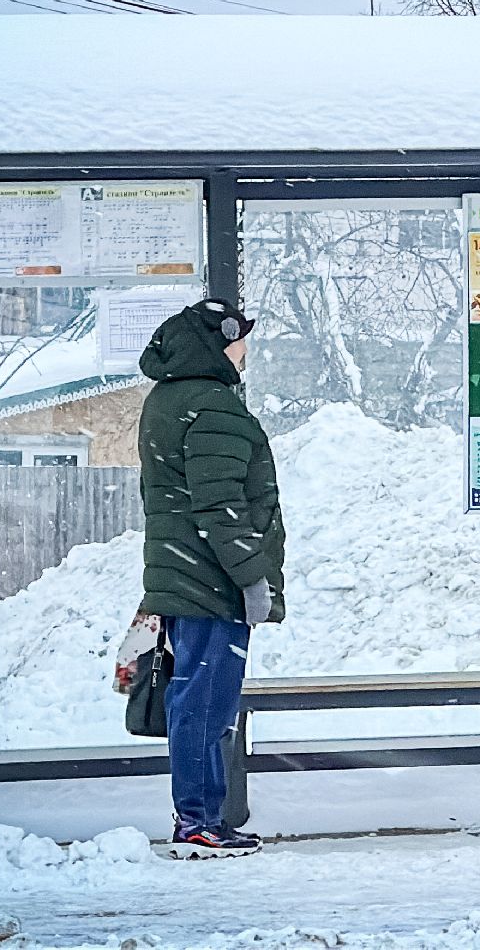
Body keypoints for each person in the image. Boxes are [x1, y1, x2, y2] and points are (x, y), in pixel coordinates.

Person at [137, 297, 286, 859]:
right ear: (219, 342)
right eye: (241, 338)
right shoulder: (213, 406)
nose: (246, 350)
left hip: (182, 573)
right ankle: (199, 824)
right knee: (206, 703)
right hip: (210, 583)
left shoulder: (167, 399)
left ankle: (199, 816)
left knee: (194, 699)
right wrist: (252, 578)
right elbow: (221, 505)